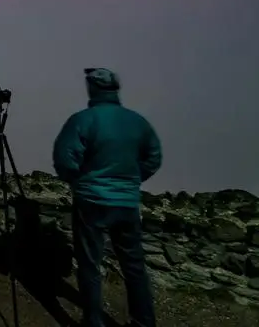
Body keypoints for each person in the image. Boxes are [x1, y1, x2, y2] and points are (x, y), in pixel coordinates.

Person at [52, 68, 162, 327]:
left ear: (92, 89)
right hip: (126, 203)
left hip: (91, 201)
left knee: (90, 264)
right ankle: (144, 322)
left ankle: (94, 321)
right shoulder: (137, 122)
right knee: (134, 266)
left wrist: (80, 181)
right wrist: (130, 180)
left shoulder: (83, 120)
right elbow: (153, 158)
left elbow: (65, 159)